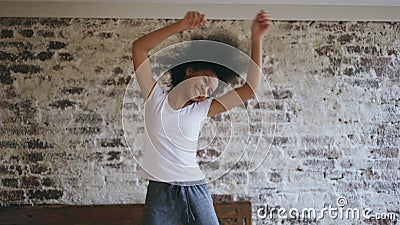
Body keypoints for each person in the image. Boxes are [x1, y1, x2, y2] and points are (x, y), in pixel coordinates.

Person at [132, 10, 272, 225]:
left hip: (193, 188)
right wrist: (181, 25)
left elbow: (250, 88)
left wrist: (257, 37)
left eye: (211, 91)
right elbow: (139, 48)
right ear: (189, 71)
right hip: (159, 191)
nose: (205, 92)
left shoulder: (203, 109)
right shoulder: (154, 98)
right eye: (206, 81)